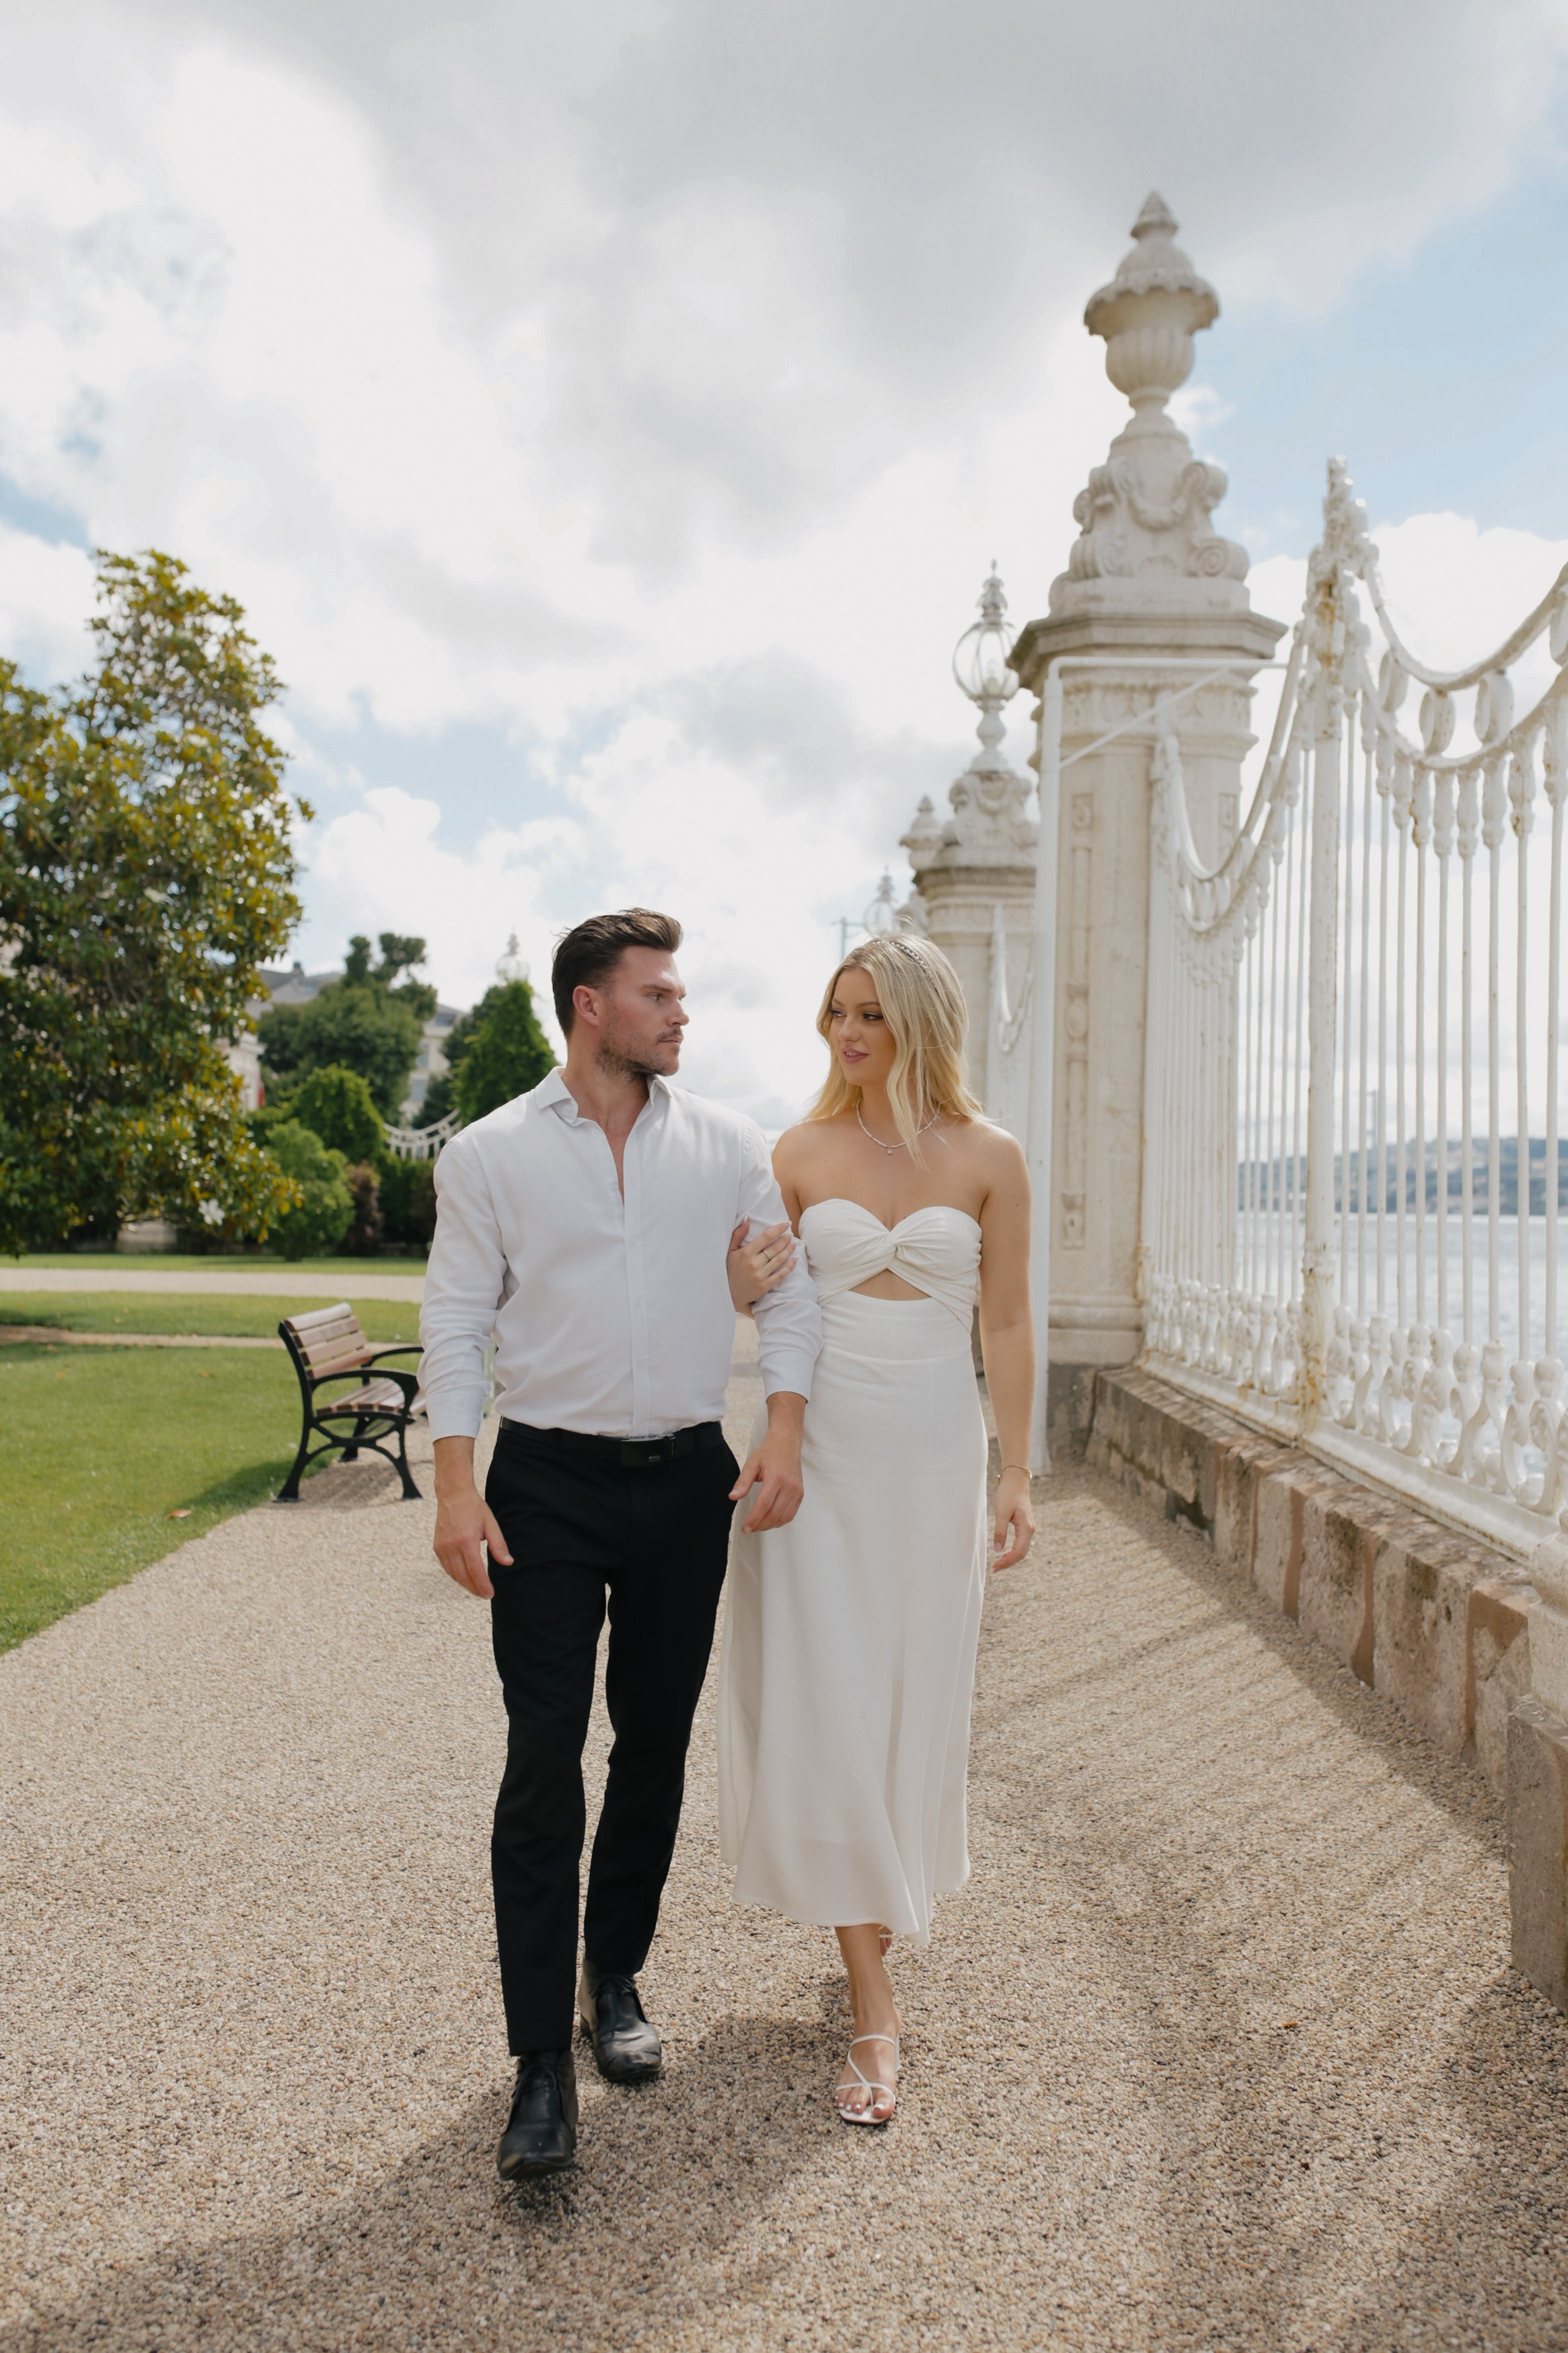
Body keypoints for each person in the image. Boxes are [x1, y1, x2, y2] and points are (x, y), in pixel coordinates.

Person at [420, 908, 821, 2179]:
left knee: (652, 1739)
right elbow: (451, 1320)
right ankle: (539, 2058)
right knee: (544, 1755)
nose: (680, 1010)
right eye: (658, 993)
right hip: (544, 1482)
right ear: (592, 1006)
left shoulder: (725, 1147)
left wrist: (783, 1431)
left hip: (684, 1475)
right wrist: (453, 1487)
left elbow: (789, 1288)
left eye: (681, 992)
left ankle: (616, 1977)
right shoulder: (489, 1155)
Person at [717, 932, 1035, 2127]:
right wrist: (744, 1285)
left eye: (870, 1015)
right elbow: (751, 1300)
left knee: (911, 1685)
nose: (848, 1035)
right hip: (822, 1448)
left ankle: (876, 1892)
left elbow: (1005, 1327)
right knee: (827, 1689)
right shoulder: (794, 1151)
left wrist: (1018, 1470)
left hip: (936, 1450)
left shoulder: (992, 1154)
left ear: (920, 1021)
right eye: (836, 1014)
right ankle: (870, 1997)